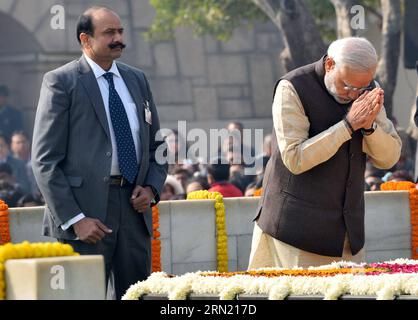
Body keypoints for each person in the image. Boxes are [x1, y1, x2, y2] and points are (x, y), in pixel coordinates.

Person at [31, 6, 167, 299]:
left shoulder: (137, 80)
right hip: (84, 217)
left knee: (139, 296)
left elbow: (158, 146)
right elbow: (44, 161)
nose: (118, 38)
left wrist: (152, 188)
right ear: (85, 40)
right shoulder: (61, 82)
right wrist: (76, 219)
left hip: (134, 211)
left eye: (120, 32)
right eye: (109, 33)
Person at [249, 37, 401, 269]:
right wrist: (347, 126)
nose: (354, 95)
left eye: (362, 87)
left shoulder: (370, 91)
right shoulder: (293, 87)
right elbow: (295, 159)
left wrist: (370, 127)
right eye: (348, 86)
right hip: (294, 234)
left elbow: (389, 158)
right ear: (330, 64)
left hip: (347, 236)